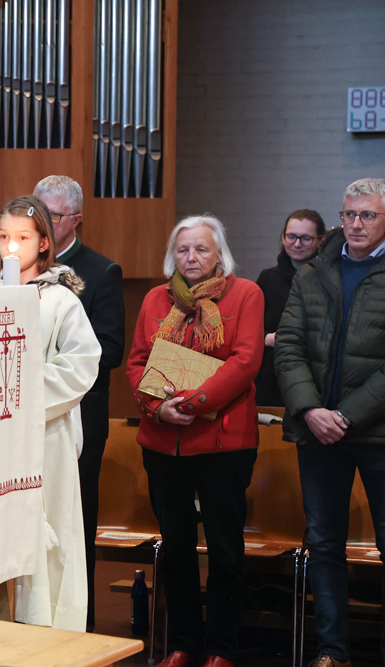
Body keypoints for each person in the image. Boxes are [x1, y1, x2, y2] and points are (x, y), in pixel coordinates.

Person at [127, 215, 263, 667]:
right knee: (176, 548)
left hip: (223, 443)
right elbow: (137, 363)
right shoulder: (155, 298)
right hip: (163, 441)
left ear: (219, 254)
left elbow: (245, 361)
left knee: (224, 550)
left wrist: (193, 402)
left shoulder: (246, 294)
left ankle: (222, 648)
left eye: (201, 249)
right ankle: (183, 643)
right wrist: (158, 407)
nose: (191, 258)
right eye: (183, 250)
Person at [0, 195, 101, 630]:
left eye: (22, 238)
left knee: (50, 545)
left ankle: (47, 634)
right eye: (4, 237)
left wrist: (21, 395)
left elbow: (82, 364)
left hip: (45, 436)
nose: (11, 246)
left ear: (44, 242)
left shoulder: (60, 301)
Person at [275, 178, 385, 667]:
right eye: (349, 214)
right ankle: (332, 653)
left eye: (368, 215)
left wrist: (346, 414)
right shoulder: (314, 271)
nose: (356, 224)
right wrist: (310, 410)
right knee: (323, 545)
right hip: (318, 429)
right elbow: (288, 347)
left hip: (377, 432)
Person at [33, 174, 125, 631]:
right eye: (36, 212)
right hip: (27, 416)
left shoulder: (101, 271)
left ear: (76, 219)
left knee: (74, 520)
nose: (41, 222)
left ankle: (78, 624)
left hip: (78, 416)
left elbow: (110, 349)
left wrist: (53, 355)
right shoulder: (17, 271)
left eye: (51, 215)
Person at [253, 209, 325, 407]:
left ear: (321, 240)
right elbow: (247, 328)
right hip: (271, 376)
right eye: (291, 236)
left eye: (306, 238)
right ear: (283, 237)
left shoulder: (329, 279)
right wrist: (267, 338)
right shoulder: (268, 278)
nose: (297, 244)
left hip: (314, 374)